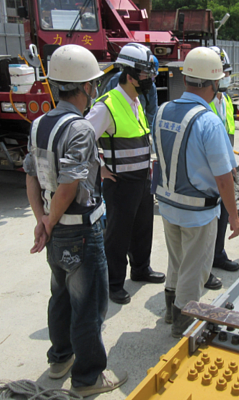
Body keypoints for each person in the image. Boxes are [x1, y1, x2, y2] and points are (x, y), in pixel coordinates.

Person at [24, 44, 127, 397]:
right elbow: (68, 185)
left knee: (61, 296)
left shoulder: (40, 123)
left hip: (56, 229)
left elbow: (31, 175)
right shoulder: (81, 129)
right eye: (93, 84)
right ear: (84, 87)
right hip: (80, 230)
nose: (95, 90)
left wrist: (42, 219)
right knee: (90, 304)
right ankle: (88, 378)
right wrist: (49, 221)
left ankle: (60, 359)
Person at [153, 47, 239, 338]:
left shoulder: (163, 110)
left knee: (176, 260)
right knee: (194, 269)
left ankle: (169, 309)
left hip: (167, 206)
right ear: (214, 84)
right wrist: (234, 216)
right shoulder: (209, 121)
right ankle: (183, 323)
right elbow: (224, 179)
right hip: (198, 212)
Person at [86, 43, 165, 305]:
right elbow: (81, 140)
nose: (150, 80)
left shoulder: (135, 100)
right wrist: (100, 169)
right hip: (120, 183)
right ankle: (113, 283)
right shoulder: (107, 105)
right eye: (145, 75)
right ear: (129, 75)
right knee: (118, 235)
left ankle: (141, 269)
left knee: (143, 228)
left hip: (142, 180)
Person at [204, 46, 239, 291]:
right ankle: (204, 267)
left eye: (227, 72)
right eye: (222, 73)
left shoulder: (225, 99)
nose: (226, 77)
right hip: (208, 173)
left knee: (223, 215)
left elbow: (228, 134)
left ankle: (218, 254)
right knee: (207, 221)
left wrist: (232, 165)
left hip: (225, 167)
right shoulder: (203, 102)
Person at [103, 54, 159, 126]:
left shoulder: (149, 88)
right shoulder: (103, 107)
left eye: (152, 76)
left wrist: (149, 132)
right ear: (130, 77)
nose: (149, 80)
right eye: (148, 75)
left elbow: (152, 112)